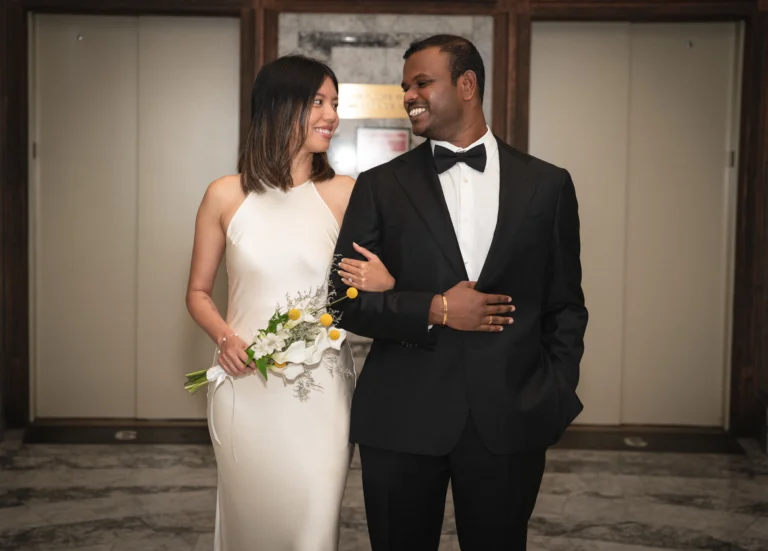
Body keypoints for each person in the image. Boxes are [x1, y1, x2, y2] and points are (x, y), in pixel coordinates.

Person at [332, 35, 588, 550]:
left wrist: (552, 394)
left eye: (422, 82)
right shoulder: (380, 186)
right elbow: (342, 299)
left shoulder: (548, 185)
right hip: (401, 418)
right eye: (405, 86)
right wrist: (435, 308)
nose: (409, 95)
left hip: (510, 418)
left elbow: (564, 306)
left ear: (467, 85)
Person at [186, 55, 394, 551]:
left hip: (319, 393)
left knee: (312, 526)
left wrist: (386, 279)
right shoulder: (224, 195)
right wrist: (224, 336)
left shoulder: (346, 194)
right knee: (249, 524)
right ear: (280, 107)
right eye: (318, 102)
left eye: (335, 103)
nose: (332, 115)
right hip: (244, 389)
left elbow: (380, 278)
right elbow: (197, 292)